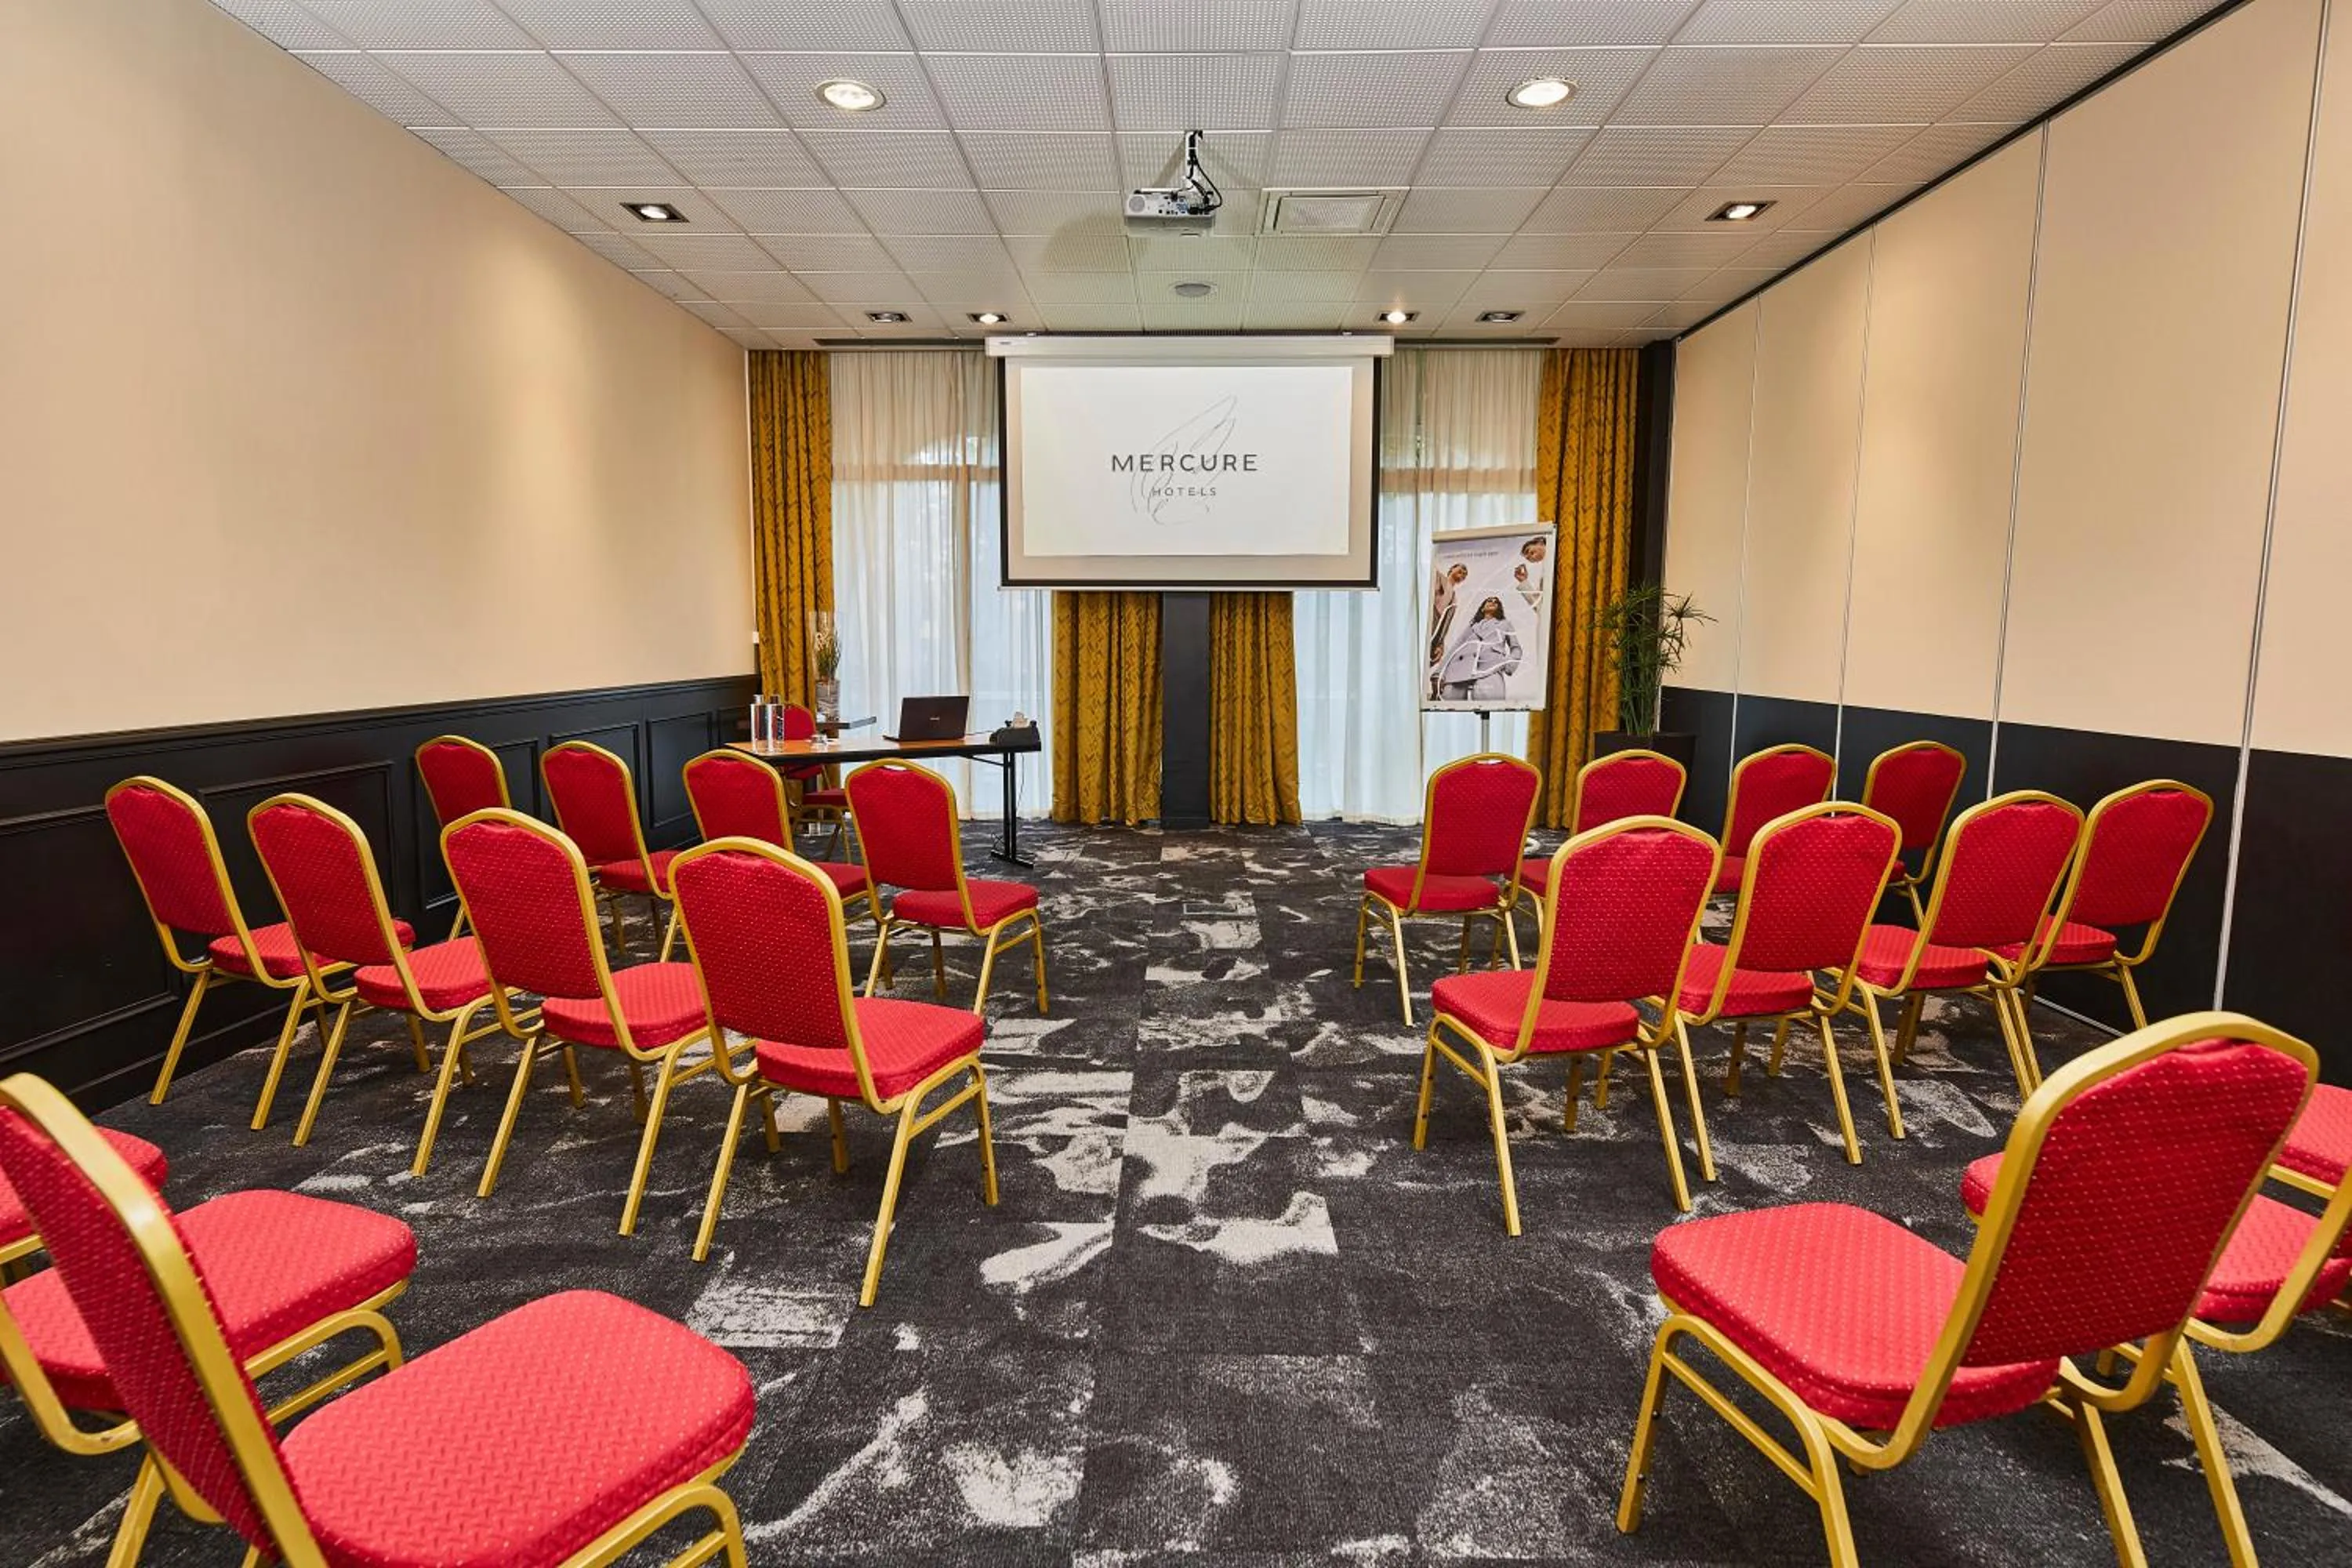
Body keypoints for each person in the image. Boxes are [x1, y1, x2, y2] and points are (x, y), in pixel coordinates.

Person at [1437, 597, 1522, 702]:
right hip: (1460, 668)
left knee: (1490, 702)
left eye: (1496, 602)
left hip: (1490, 667)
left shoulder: (1505, 624)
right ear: (1482, 608)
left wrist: (1509, 664)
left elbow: (1516, 647)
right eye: (1489, 601)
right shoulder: (1472, 626)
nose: (1493, 602)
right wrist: (1439, 673)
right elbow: (1456, 647)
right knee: (1449, 703)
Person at [1427, 562, 1469, 699]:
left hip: (1438, 631)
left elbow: (1446, 623)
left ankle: (1437, 692)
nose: (1462, 573)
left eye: (1465, 574)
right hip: (1430, 620)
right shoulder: (1439, 578)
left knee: (1432, 660)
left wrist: (1441, 643)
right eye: (1461, 570)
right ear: (1451, 569)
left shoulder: (1454, 598)